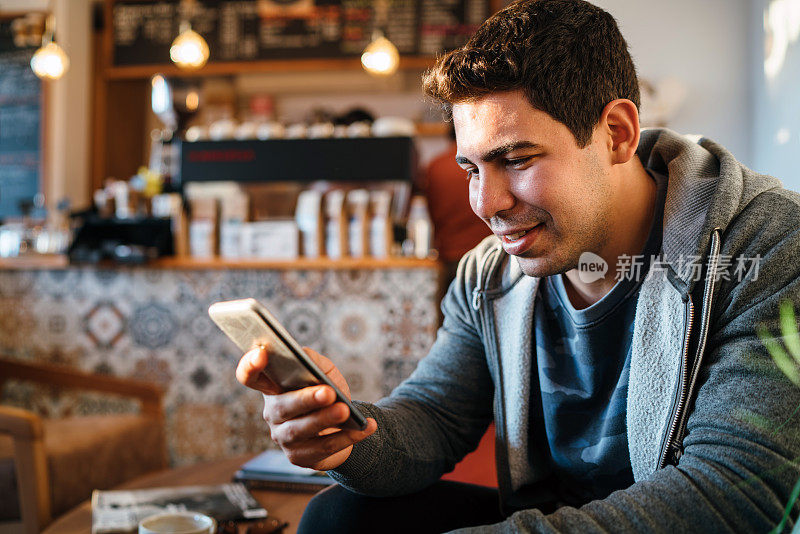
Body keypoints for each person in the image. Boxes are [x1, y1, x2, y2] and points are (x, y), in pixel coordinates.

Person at [236, 1, 800, 532]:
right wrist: (345, 435)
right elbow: (434, 417)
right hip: (553, 515)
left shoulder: (765, 247)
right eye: (472, 168)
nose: (486, 204)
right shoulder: (490, 275)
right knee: (339, 519)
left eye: (516, 160)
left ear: (617, 134)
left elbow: (737, 493)